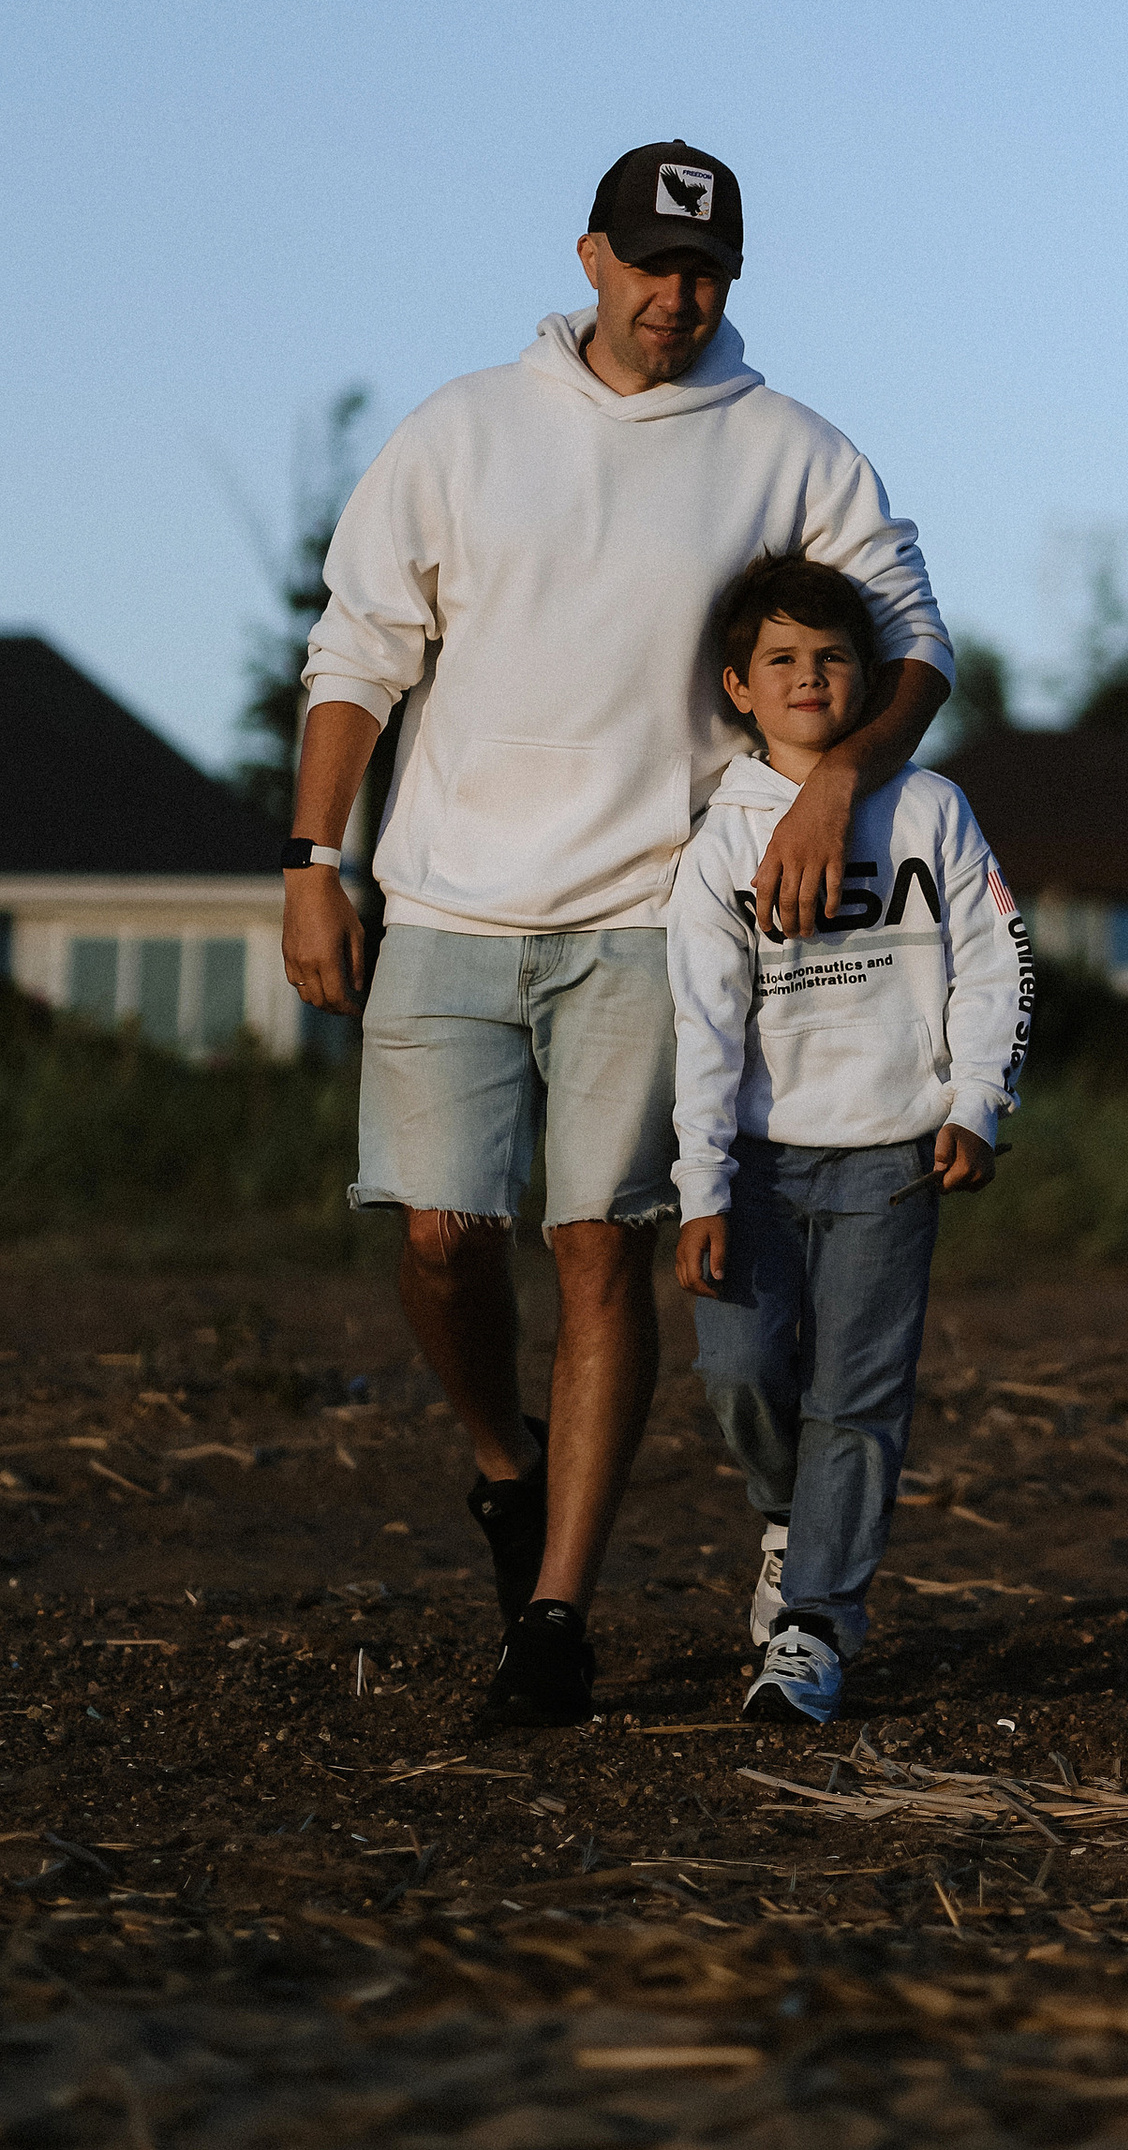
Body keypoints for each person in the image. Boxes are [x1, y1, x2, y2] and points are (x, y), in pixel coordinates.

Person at [279, 142, 954, 1729]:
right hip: (447, 896)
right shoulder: (464, 427)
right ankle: (507, 1468)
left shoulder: (792, 448)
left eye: (707, 270)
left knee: (603, 1253)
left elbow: (915, 637)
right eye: (651, 263)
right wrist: (317, 853)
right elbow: (358, 646)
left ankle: (558, 1622)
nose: (679, 295)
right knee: (442, 1243)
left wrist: (839, 782)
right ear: (590, 257)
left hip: (654, 914)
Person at [669, 554, 1033, 1724]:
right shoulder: (720, 843)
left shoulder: (930, 808)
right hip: (761, 1163)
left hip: (892, 1152)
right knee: (739, 1373)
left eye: (833, 657)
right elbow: (704, 1024)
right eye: (782, 659)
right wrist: (701, 1189)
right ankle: (790, 1521)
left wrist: (976, 1099)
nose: (809, 677)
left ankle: (816, 1628)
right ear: (738, 685)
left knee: (858, 1398)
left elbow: (998, 962)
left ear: (871, 677)